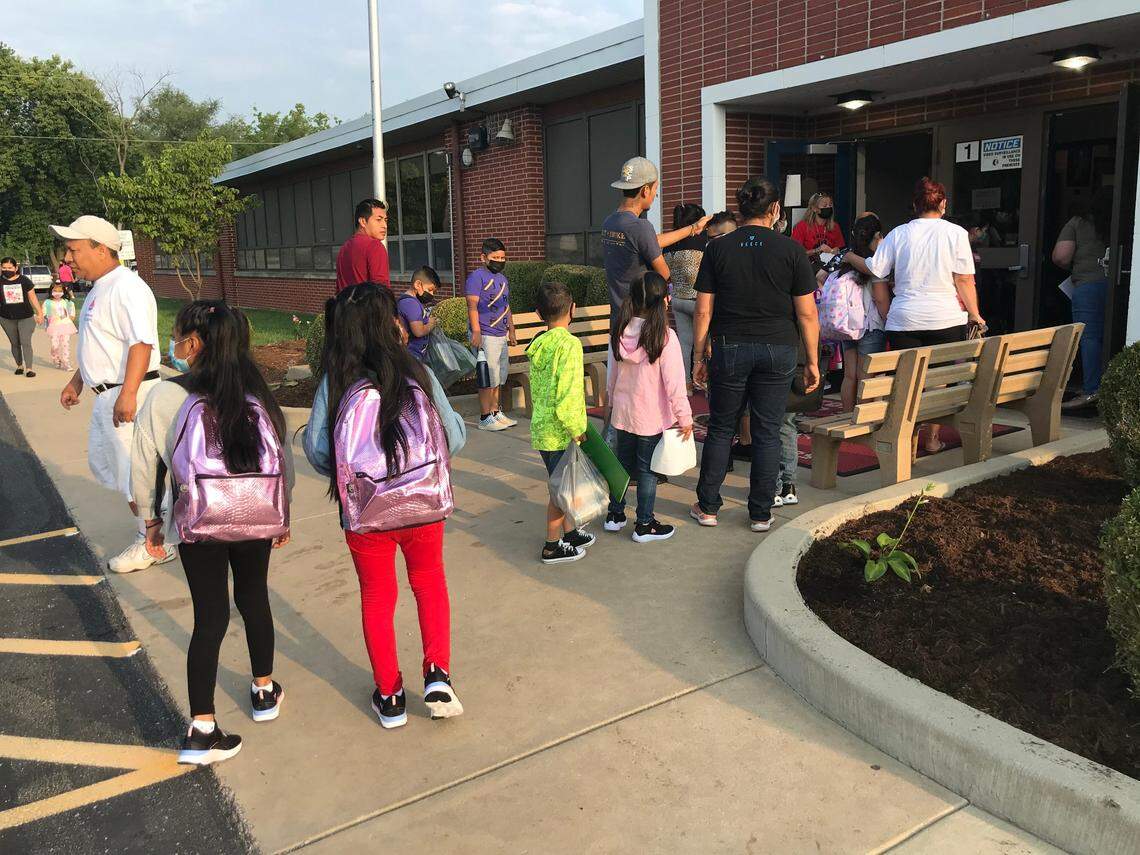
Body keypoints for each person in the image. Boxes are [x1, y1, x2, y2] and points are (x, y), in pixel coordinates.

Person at [131, 301, 293, 766]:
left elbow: (146, 461)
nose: (175, 345)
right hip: (255, 514)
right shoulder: (256, 392)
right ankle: (264, 691)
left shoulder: (166, 395)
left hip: (199, 519)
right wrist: (282, 515)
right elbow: (279, 457)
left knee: (209, 618)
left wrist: (150, 518)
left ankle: (202, 728)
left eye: (179, 336)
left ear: (195, 345)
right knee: (254, 598)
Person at [303, 284, 466, 730]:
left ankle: (390, 696)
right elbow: (453, 438)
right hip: (423, 505)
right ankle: (437, 673)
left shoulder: (335, 380)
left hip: (366, 514)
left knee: (378, 597)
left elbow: (319, 451)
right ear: (390, 322)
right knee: (429, 582)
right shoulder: (417, 372)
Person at [690, 178, 821, 533]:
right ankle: (761, 513)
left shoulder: (718, 249)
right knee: (767, 431)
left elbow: (703, 310)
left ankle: (708, 507)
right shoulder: (791, 250)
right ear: (775, 210)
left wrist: (699, 356)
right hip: (778, 346)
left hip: (730, 344)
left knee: (720, 427)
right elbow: (807, 313)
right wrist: (812, 360)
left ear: (740, 208)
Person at [51, 215, 173, 573]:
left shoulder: (126, 287)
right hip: (111, 393)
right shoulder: (100, 288)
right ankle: (160, 535)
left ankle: (151, 544)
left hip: (127, 395)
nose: (68, 258)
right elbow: (99, 344)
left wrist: (129, 393)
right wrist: (78, 381)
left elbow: (141, 343)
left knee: (139, 478)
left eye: (74, 249)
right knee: (124, 474)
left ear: (101, 249)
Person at [843, 178, 984, 453]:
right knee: (937, 381)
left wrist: (849, 256)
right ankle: (930, 439)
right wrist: (975, 315)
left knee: (907, 383)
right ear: (943, 203)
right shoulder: (955, 234)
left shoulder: (898, 234)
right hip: (945, 317)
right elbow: (964, 280)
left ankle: (907, 438)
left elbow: (876, 269)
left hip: (904, 319)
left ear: (915, 205)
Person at [604, 272, 693, 542]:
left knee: (620, 467)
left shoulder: (618, 332)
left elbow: (612, 377)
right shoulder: (665, 338)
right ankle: (644, 524)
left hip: (623, 413)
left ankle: (615, 515)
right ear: (664, 301)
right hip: (651, 419)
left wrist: (610, 405)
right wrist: (685, 418)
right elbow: (675, 384)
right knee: (647, 471)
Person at [526, 281, 596, 565]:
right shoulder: (569, 345)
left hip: (542, 428)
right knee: (560, 491)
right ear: (573, 309)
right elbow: (568, 394)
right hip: (560, 431)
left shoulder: (538, 343)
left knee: (563, 484)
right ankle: (552, 545)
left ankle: (570, 533)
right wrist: (577, 429)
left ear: (538, 313)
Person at [601, 157, 712, 317]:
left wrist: (693, 228)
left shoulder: (609, 222)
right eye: (655, 189)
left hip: (618, 320)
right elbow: (664, 273)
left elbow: (647, 242)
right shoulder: (640, 227)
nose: (655, 195)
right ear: (645, 190)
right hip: (642, 320)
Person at [824, 213, 890, 412]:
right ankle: (862, 419)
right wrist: (889, 321)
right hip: (870, 326)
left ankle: (847, 416)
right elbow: (880, 299)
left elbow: (820, 275)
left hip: (847, 324)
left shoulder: (846, 258)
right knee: (866, 376)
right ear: (877, 235)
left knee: (850, 375)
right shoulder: (875, 263)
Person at [1053, 188, 1112, 409]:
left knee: (1090, 338)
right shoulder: (1115, 221)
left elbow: (1061, 256)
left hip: (1088, 283)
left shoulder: (1077, 222)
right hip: (1115, 283)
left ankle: (1091, 389)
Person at [465, 238, 517, 431]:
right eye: (495, 257)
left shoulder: (502, 279)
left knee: (498, 376)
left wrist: (511, 329)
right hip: (486, 334)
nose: (500, 260)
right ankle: (485, 416)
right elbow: (472, 306)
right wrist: (476, 331)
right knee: (487, 376)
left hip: (500, 334)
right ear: (484, 258)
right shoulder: (476, 278)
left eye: (503, 257)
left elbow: (506, 306)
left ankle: (496, 412)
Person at [663, 203, 707, 381]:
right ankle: (706, 384)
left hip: (678, 299)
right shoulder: (702, 242)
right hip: (698, 301)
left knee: (684, 344)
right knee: (705, 343)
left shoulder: (669, 245)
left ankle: (686, 385)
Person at [0, 256, 44, 376]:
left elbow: (33, 298)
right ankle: (19, 366)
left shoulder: (24, 280)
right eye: (4, 267)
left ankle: (29, 368)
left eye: (10, 267)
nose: (6, 270)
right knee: (14, 343)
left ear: (16, 268)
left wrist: (40, 313)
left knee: (25, 341)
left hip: (26, 317)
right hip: (6, 318)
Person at [335, 199, 391, 291]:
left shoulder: (343, 249)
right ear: (363, 221)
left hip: (344, 304)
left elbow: (338, 289)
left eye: (385, 220)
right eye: (379, 220)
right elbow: (381, 292)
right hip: (368, 305)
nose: (385, 225)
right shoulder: (374, 246)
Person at [397, 266, 440, 362]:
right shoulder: (410, 303)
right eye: (430, 290)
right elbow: (418, 331)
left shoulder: (413, 302)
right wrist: (431, 324)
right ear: (418, 284)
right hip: (411, 356)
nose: (432, 294)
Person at [792, 192, 844, 266]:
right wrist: (817, 250)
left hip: (829, 267)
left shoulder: (835, 226)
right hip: (807, 267)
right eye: (825, 205)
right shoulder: (801, 226)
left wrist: (836, 251)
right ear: (814, 208)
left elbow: (840, 250)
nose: (828, 208)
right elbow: (795, 254)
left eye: (830, 205)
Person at [42, 282, 78, 370]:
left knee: (65, 344)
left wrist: (71, 317)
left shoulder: (66, 302)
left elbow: (72, 309)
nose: (57, 293)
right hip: (54, 326)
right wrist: (43, 317)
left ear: (63, 292)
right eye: (55, 290)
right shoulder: (47, 302)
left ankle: (66, 362)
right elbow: (43, 313)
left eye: (60, 291)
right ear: (51, 291)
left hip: (65, 325)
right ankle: (56, 359)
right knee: (55, 345)